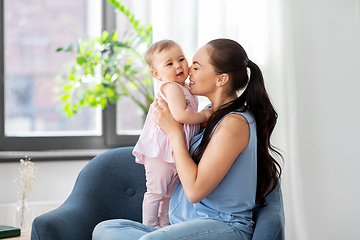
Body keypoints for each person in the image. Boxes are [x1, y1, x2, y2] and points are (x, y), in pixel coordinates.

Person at [93, 38, 282, 240]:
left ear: (221, 79)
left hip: (224, 226)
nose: (187, 70)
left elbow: (194, 191)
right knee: (105, 230)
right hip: (184, 225)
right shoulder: (208, 114)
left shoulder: (234, 124)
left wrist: (174, 132)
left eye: (197, 67)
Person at [132, 40, 213, 228]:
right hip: (161, 153)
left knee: (169, 194)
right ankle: (149, 227)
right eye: (169, 63)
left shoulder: (186, 88)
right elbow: (180, 115)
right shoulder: (171, 87)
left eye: (181, 59)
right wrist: (203, 115)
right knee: (156, 192)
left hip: (176, 154)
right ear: (156, 74)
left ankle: (164, 226)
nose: (178, 66)